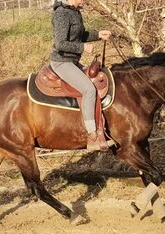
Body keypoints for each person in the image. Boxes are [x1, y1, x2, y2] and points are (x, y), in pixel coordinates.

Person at [50, 0, 114, 151]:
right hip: (62, 63)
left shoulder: (75, 11)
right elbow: (60, 44)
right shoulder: (62, 14)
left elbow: (79, 35)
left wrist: (98, 34)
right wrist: (82, 47)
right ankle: (92, 135)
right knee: (89, 90)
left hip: (72, 61)